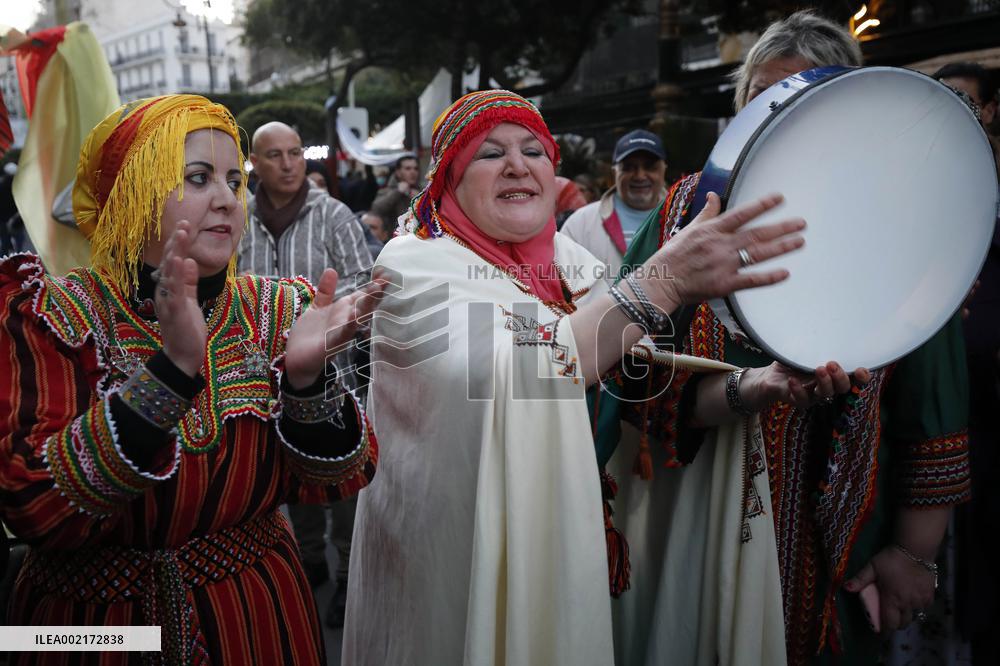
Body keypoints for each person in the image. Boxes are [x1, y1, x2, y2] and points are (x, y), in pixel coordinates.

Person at [342, 89, 806, 665]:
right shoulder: (413, 264)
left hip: (568, 544)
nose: (518, 164)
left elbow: (634, 394)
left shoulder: (574, 264)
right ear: (450, 181)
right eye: (489, 153)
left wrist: (754, 388)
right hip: (459, 568)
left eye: (534, 150)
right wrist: (659, 284)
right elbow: (520, 372)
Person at [605, 11, 971, 666]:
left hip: (840, 556)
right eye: (761, 105)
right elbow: (624, 363)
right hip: (692, 523)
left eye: (800, 106)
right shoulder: (687, 210)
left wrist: (913, 555)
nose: (776, 127)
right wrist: (740, 393)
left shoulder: (903, 227)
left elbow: (932, 412)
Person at [0, 94, 381, 665]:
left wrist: (306, 382)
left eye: (234, 179)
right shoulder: (53, 317)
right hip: (89, 629)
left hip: (258, 616)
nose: (228, 199)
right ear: (128, 196)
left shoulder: (278, 309)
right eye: (198, 178)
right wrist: (170, 374)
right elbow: (32, 503)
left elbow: (341, 476)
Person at [238, 120, 374, 628]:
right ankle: (312, 559)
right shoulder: (237, 219)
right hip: (259, 379)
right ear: (255, 163)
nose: (289, 163)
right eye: (275, 155)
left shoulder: (333, 214)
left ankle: (345, 575)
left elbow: (364, 284)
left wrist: (331, 323)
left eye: (296, 152)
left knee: (338, 477)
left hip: (332, 376)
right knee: (287, 473)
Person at [933, 61, 1000, 666]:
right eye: (940, 98)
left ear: (990, 112)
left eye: (964, 99)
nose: (951, 109)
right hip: (943, 425)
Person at [560, 129, 668, 283]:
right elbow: (560, 285)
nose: (640, 176)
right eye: (629, 167)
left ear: (664, 169)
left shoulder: (684, 222)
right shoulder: (580, 224)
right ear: (614, 172)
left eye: (650, 167)